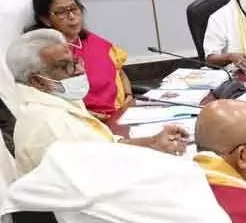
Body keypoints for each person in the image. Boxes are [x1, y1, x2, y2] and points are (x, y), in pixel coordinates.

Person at [6, 29, 187, 174]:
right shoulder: (48, 126)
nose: (78, 71)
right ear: (38, 81)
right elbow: (97, 182)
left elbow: (104, 147)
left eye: (76, 61)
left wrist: (153, 142)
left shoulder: (57, 97)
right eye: (64, 66)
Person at [29, 0, 132, 119]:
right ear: (45, 19)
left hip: (124, 115)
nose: (71, 16)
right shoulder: (48, 55)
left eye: (74, 9)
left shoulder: (95, 42)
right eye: (61, 12)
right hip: (83, 122)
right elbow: (44, 96)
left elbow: (120, 72)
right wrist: (83, 114)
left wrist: (129, 96)